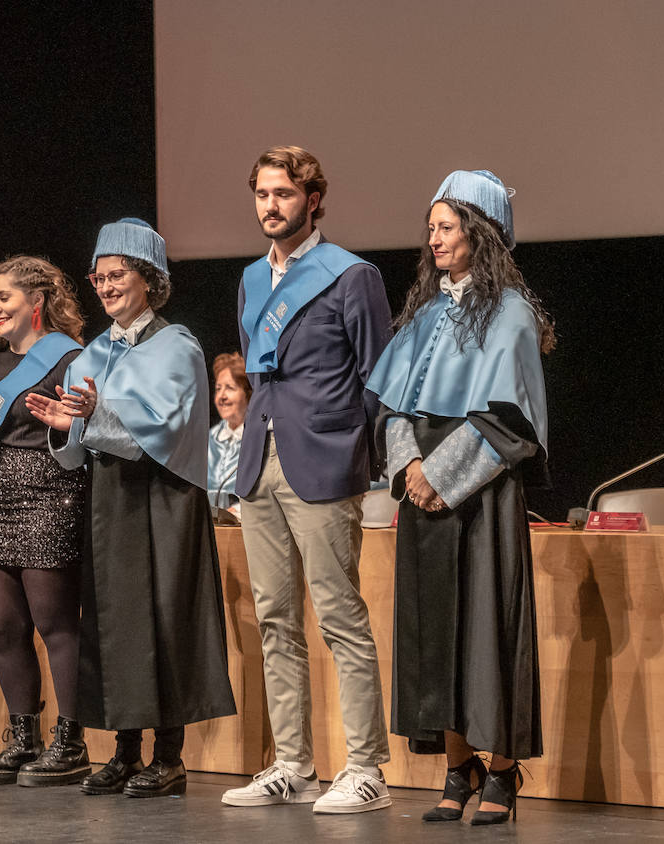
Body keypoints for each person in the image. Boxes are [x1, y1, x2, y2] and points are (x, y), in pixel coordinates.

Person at [366, 170, 553, 826]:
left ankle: (501, 769)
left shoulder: (511, 314)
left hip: (481, 497)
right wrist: (410, 467)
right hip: (423, 495)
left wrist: (442, 476)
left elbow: (512, 418)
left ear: (480, 233)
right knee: (431, 635)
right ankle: (456, 766)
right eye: (431, 228)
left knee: (484, 632)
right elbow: (392, 409)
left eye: (447, 227)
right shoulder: (422, 315)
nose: (434, 238)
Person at [28, 217, 236, 798]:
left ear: (148, 278)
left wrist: (94, 417)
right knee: (116, 624)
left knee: (164, 620)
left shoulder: (179, 346)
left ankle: (168, 756)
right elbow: (74, 455)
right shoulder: (89, 353)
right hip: (110, 503)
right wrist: (67, 426)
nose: (106, 285)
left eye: (117, 275)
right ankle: (124, 750)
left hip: (165, 500)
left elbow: (166, 429)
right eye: (99, 277)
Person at [224, 146, 394, 813]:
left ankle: (367, 769)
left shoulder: (352, 276)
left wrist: (365, 461)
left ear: (313, 200)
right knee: (274, 618)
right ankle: (293, 764)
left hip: (324, 460)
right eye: (263, 194)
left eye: (285, 195)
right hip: (259, 458)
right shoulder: (248, 279)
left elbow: (376, 377)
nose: (272, 206)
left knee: (339, 615)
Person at [0, 256, 87, 787]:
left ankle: (71, 740)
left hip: (49, 492)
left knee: (55, 625)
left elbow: (83, 438)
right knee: (5, 626)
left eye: (4, 298)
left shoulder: (70, 358)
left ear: (37, 303)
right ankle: (24, 737)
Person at [207, 351, 250, 512]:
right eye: (218, 388)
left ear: (249, 393)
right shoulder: (207, 441)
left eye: (230, 388)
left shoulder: (261, 441)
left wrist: (238, 511)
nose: (222, 396)